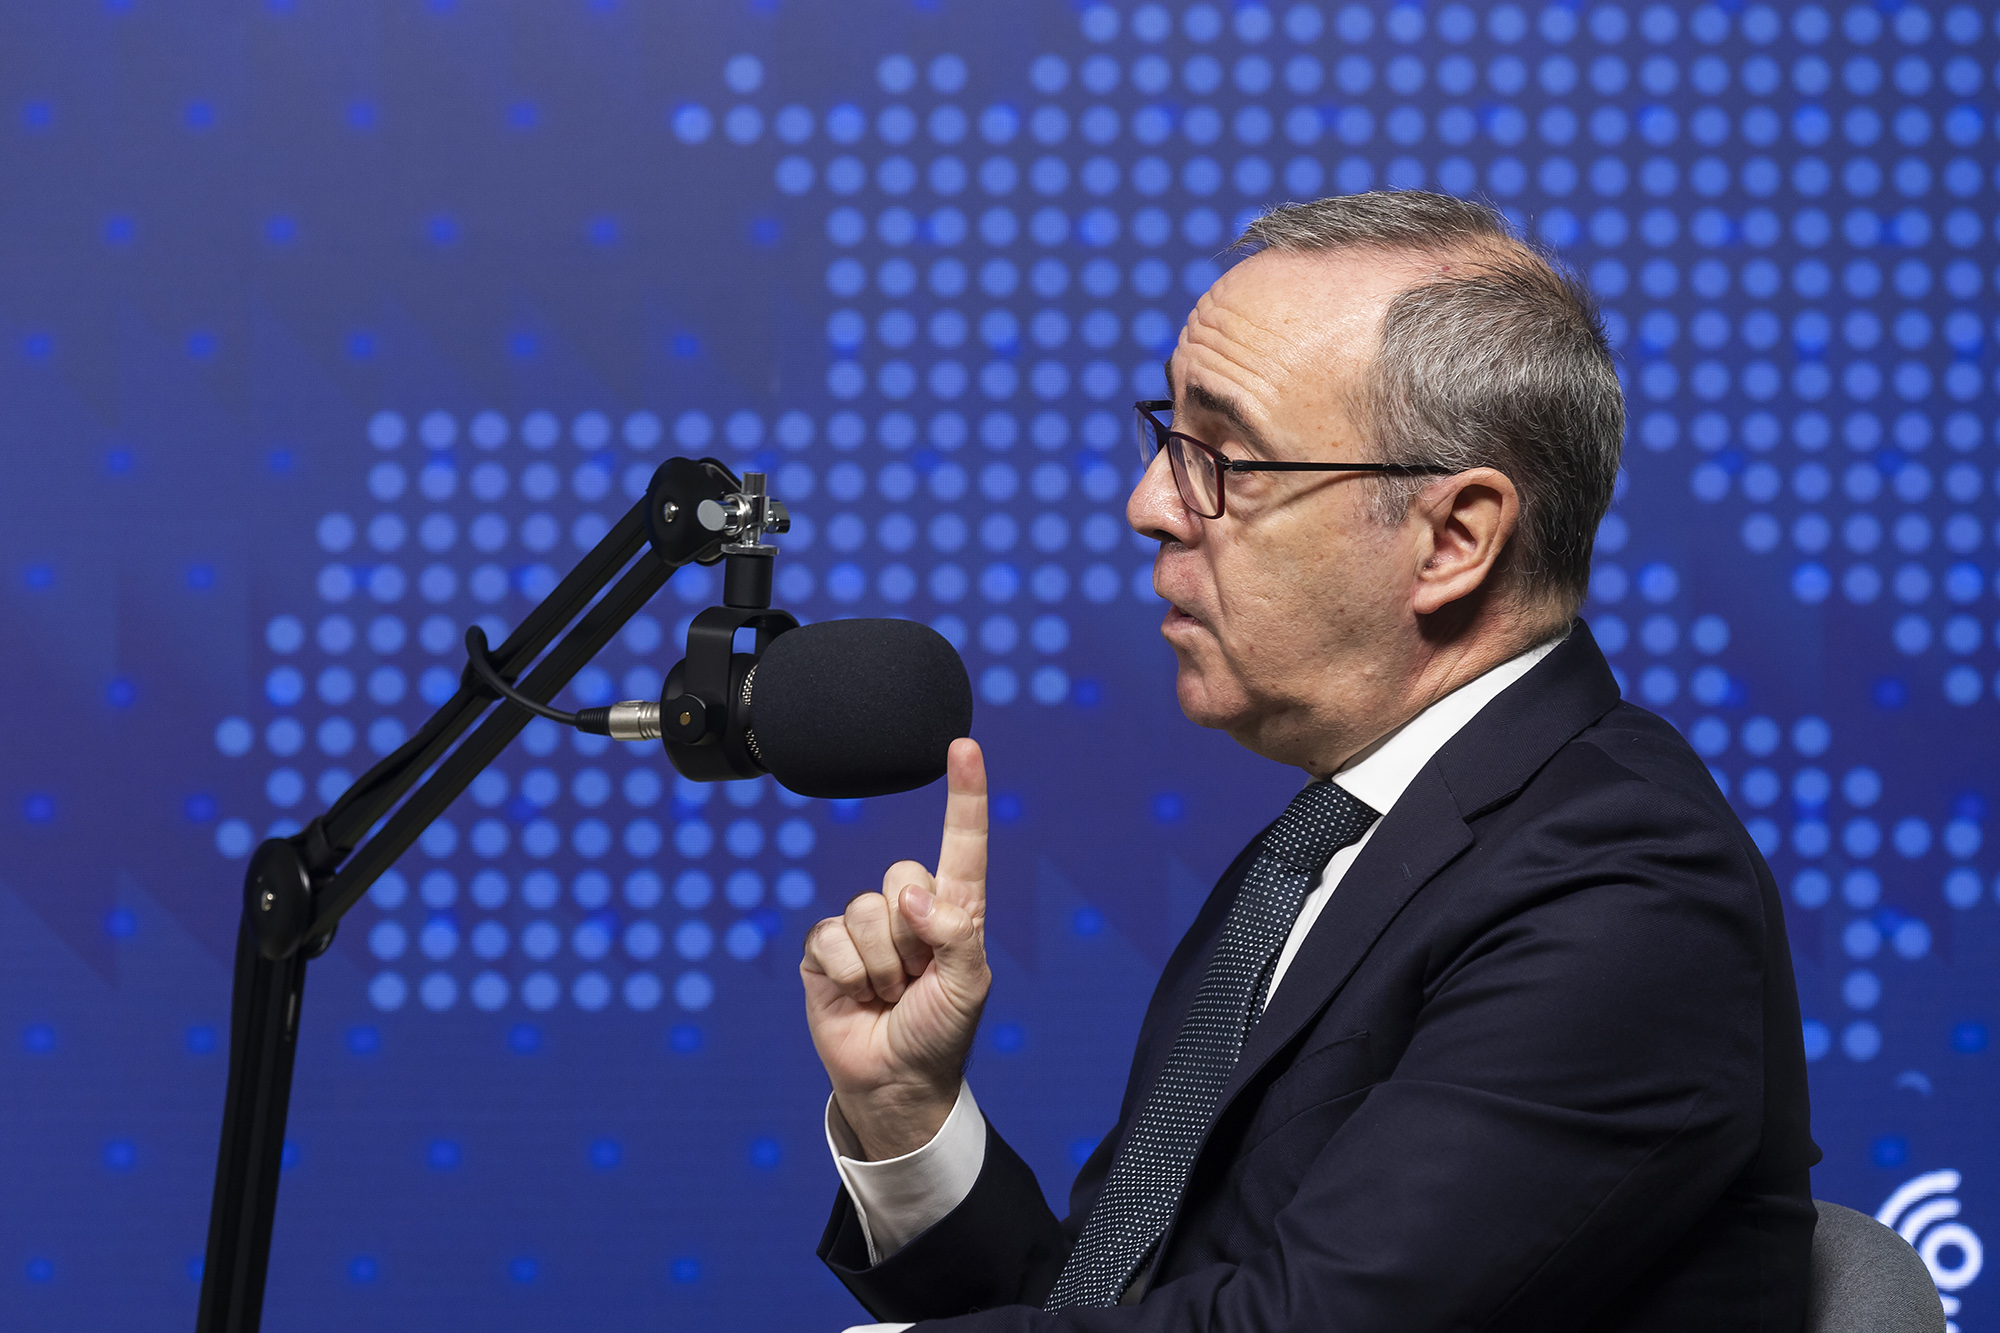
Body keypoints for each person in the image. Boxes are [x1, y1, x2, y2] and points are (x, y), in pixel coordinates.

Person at [797, 191, 1819, 1332]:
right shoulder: (1322, 852)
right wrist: (907, 1114)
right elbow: (1123, 1307)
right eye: (1167, 437)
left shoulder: (1625, 885)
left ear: (1453, 538)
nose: (1148, 503)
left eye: (1224, 458)